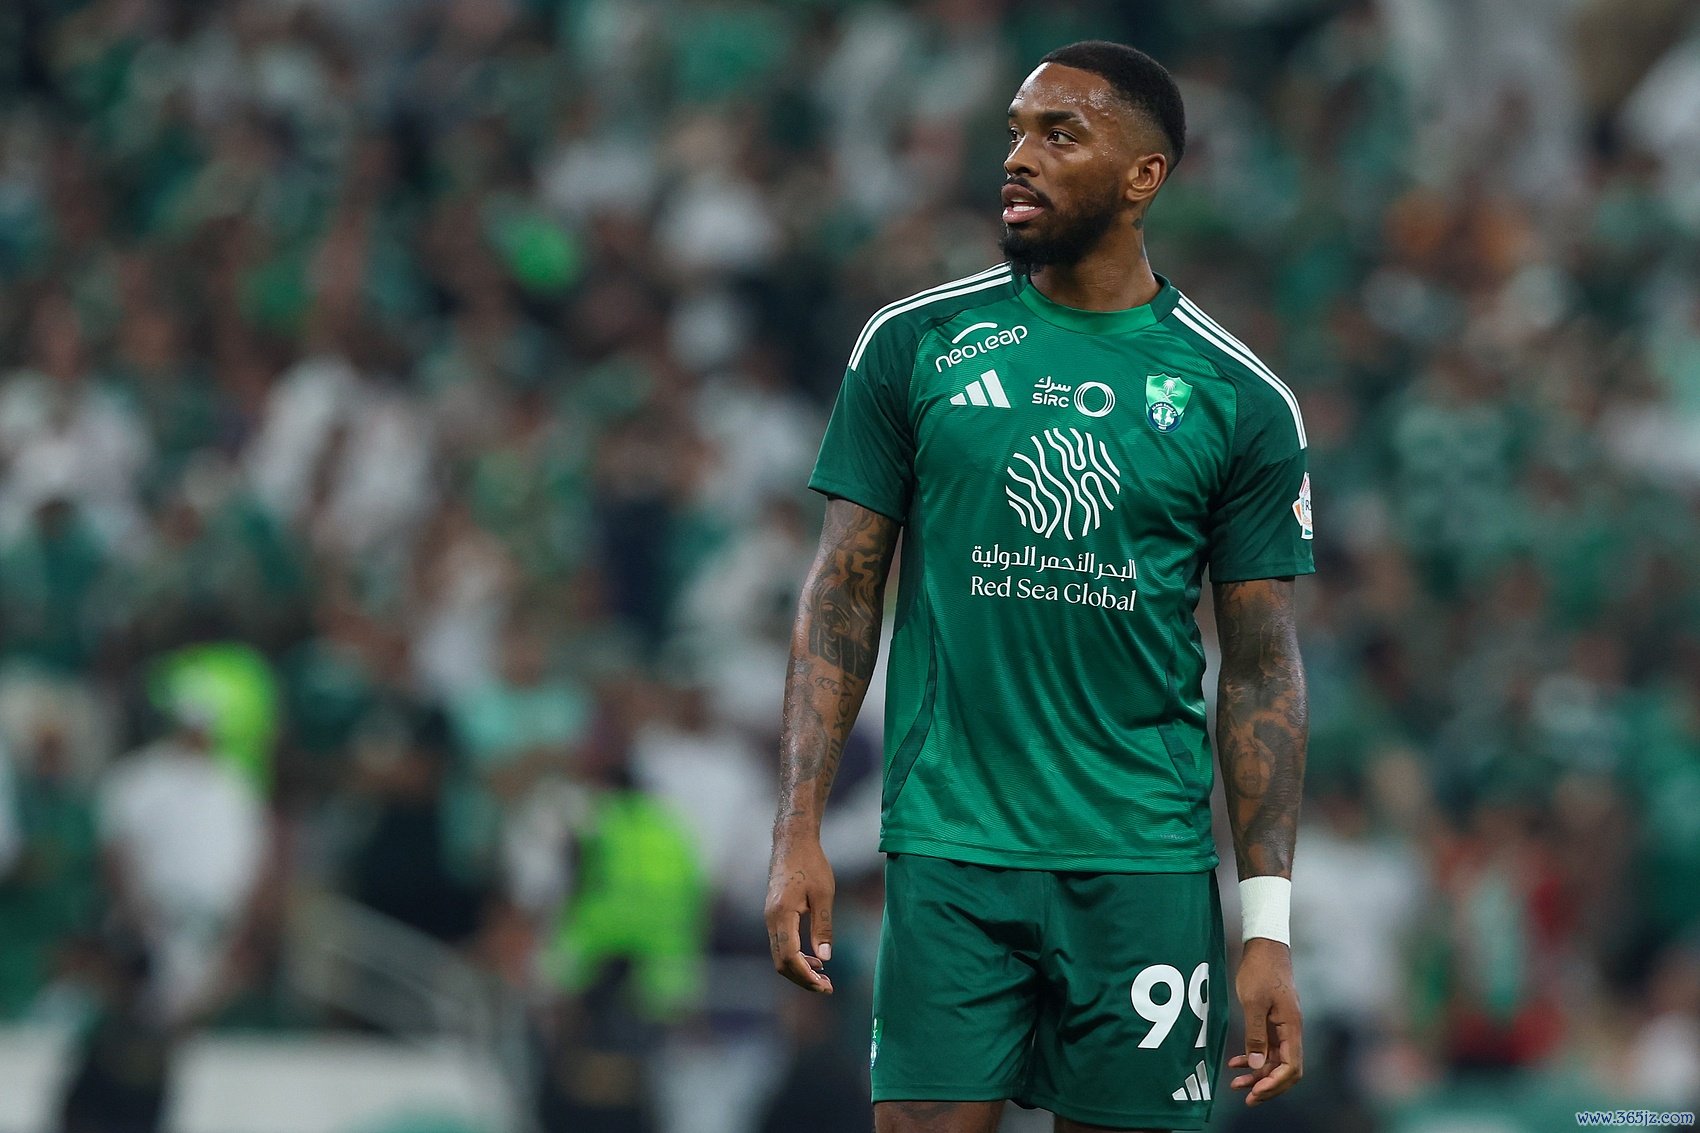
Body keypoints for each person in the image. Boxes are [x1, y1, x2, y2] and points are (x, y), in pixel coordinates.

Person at [765, 41, 1313, 1133]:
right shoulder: (914, 345)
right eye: (1014, 132)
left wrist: (1265, 927)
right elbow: (841, 595)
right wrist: (797, 827)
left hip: (1144, 864)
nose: (1017, 157)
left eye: (1058, 135)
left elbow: (1260, 667)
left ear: (1143, 176)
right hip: (951, 850)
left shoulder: (1239, 397)